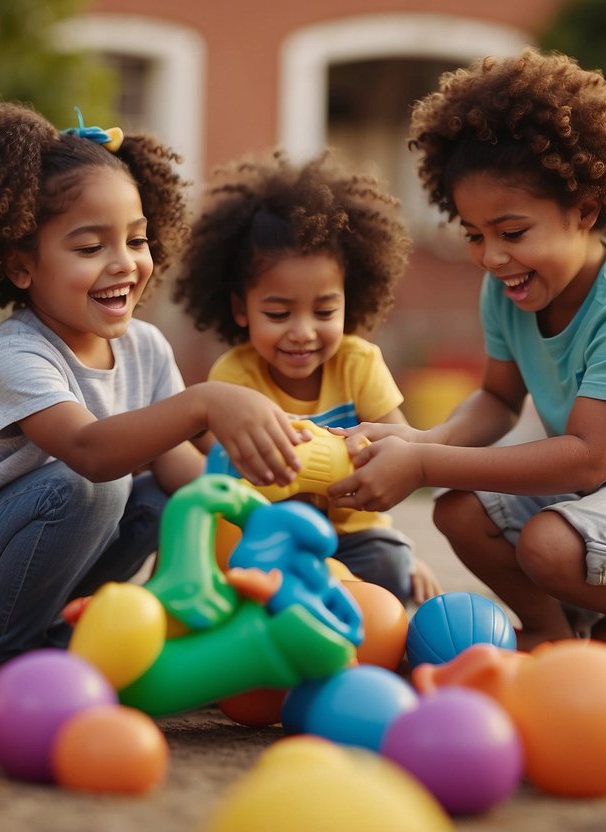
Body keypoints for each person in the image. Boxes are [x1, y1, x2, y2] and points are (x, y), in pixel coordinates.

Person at [325, 48, 606, 706]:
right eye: (473, 234)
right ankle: (559, 639)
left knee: (549, 545)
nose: (492, 256)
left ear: (584, 210)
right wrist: (416, 443)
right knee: (461, 511)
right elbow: (499, 401)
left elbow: (585, 461)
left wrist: (421, 467)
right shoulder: (509, 288)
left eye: (511, 231)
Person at [0, 102, 310, 669]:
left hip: (56, 581)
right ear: (22, 267)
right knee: (99, 486)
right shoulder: (15, 354)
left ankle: (145, 622)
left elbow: (177, 468)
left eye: (136, 241)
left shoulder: (145, 347)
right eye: (91, 248)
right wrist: (206, 401)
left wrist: (265, 507)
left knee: (176, 499)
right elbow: (90, 453)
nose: (123, 264)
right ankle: (1, 658)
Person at [173, 150, 441, 604]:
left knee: (391, 569)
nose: (302, 333)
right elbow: (216, 462)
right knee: (251, 580)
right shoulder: (234, 375)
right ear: (241, 308)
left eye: (324, 311)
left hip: (356, 534)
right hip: (273, 532)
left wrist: (367, 450)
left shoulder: (359, 361)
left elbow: (402, 439)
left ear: (348, 302)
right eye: (278, 313)